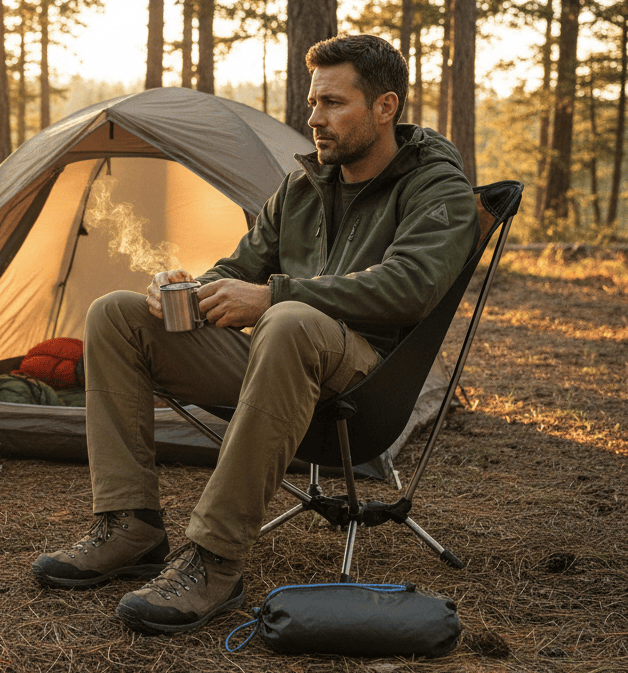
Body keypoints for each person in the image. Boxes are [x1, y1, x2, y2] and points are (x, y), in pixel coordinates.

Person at [31, 33, 479, 635]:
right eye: (313, 102)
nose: (314, 119)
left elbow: (411, 286)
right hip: (279, 358)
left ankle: (215, 558)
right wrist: (195, 290)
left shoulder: (434, 185)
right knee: (116, 314)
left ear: (386, 107)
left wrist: (276, 295)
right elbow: (240, 269)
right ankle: (128, 523)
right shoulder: (303, 188)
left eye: (333, 104)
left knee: (288, 318)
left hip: (368, 379)